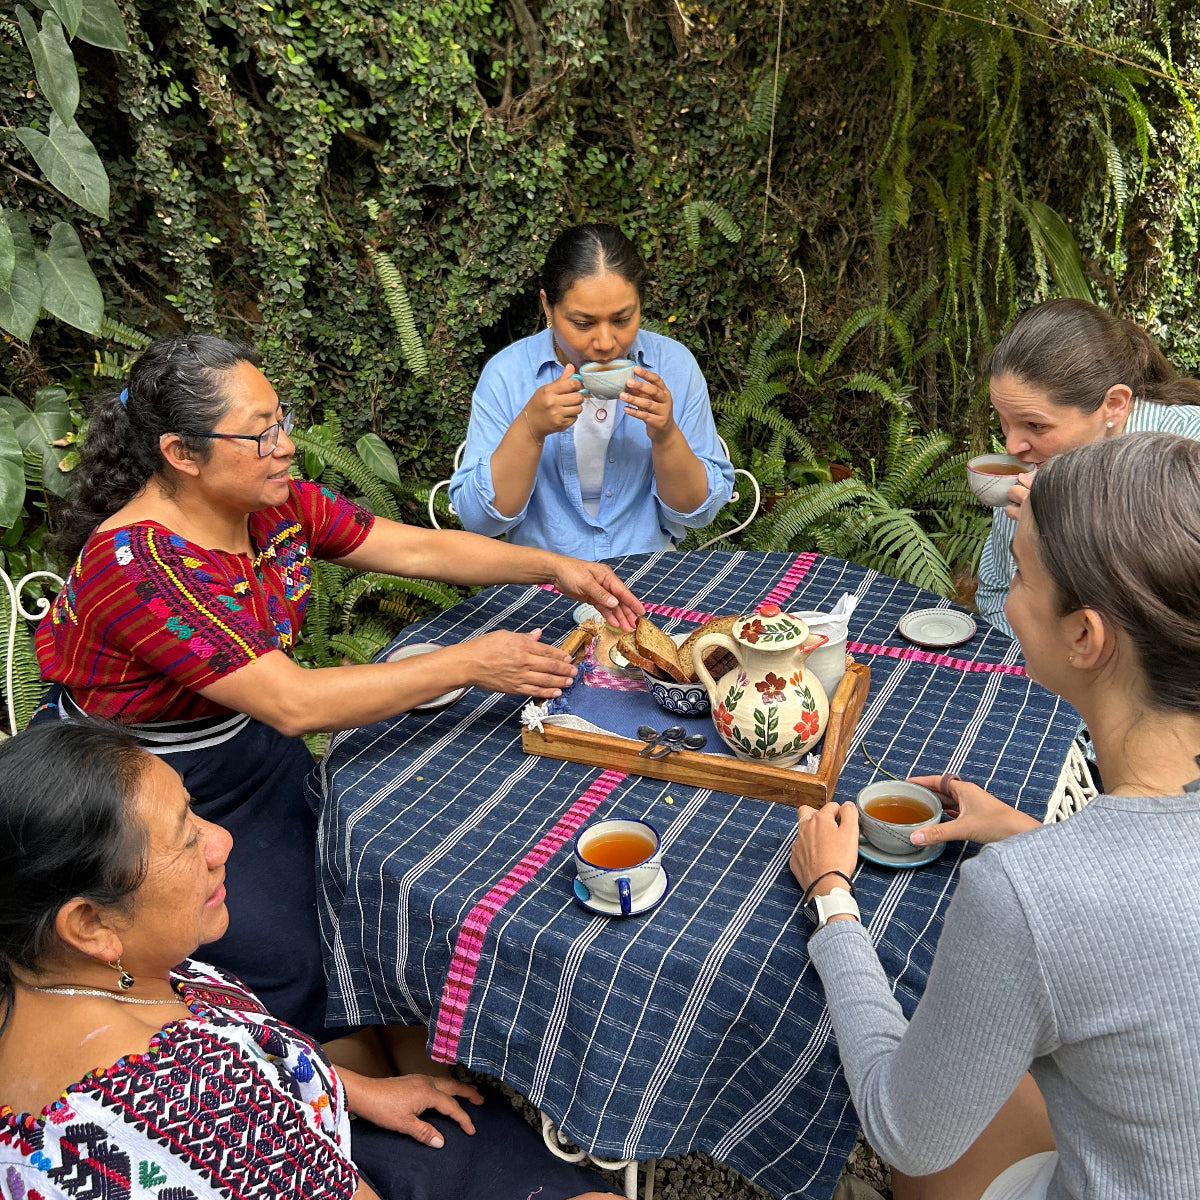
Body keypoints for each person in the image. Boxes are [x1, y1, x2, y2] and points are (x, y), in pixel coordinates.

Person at [34, 333, 643, 1048]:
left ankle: (398, 1040)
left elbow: (416, 547)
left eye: (281, 420)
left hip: (250, 745)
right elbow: (296, 702)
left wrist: (554, 565)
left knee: (382, 876)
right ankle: (311, 1098)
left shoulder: (271, 504)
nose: (286, 446)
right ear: (181, 453)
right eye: (260, 434)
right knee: (288, 957)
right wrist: (467, 663)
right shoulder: (136, 565)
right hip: (142, 791)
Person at [790, 431, 1200, 1200]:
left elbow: (905, 1127)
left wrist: (832, 900)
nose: (997, 589)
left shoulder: (1029, 894)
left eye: (1019, 572)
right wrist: (1020, 828)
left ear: (1085, 636)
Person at [0, 720, 622, 1200]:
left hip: (313, 1139)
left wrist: (345, 1090)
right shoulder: (194, 1103)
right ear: (90, 923)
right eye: (187, 839)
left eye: (195, 810)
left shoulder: (50, 973)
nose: (222, 841)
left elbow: (246, 1057)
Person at [448, 223, 735, 557]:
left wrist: (666, 435)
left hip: (648, 573)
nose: (605, 343)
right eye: (582, 324)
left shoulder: (673, 367)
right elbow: (480, 521)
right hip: (539, 582)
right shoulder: (508, 374)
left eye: (622, 320)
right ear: (547, 307)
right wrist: (530, 429)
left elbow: (699, 513)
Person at [975, 297, 1200, 636]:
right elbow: (995, 593)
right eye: (1005, 421)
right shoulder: (1034, 465)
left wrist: (1060, 525)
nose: (1011, 447)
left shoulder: (1188, 452)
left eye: (1035, 426)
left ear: (1113, 406)